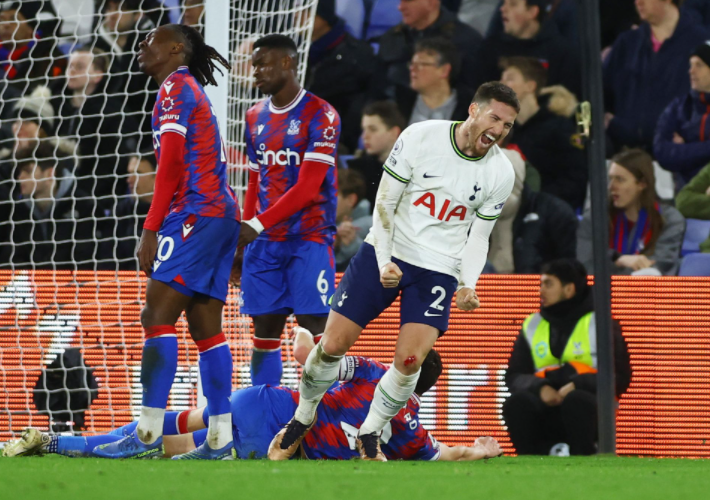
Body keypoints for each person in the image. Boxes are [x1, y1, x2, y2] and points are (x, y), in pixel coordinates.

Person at [269, 82, 519, 462]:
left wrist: (468, 283)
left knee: (410, 361)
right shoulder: (421, 137)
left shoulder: (500, 171)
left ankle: (370, 432)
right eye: (495, 118)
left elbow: (479, 235)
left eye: (507, 125)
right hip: (386, 250)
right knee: (333, 344)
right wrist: (385, 259)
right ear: (473, 110)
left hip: (438, 269)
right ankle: (302, 417)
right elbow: (385, 201)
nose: (499, 130)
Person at [3, 328, 503, 462]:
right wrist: (482, 451)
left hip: (260, 402)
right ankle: (55, 444)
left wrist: (309, 345)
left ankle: (53, 441)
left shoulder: (372, 370)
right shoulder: (410, 429)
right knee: (160, 451)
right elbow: (444, 454)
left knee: (156, 435)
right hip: (271, 435)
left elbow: (325, 362)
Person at [92, 24, 240, 461]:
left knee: (156, 312)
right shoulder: (188, 88)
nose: (141, 45)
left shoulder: (175, 88)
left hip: (195, 211)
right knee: (204, 326)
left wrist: (151, 227)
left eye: (150, 40)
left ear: (175, 49)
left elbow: (172, 163)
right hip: (218, 213)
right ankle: (219, 438)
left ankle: (147, 433)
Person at [236, 34, 340, 389]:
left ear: (287, 62)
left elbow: (308, 188)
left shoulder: (322, 114)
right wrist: (244, 239)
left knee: (317, 326)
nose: (256, 72)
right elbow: (255, 181)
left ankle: (329, 419)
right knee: (264, 329)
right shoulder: (253, 117)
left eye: (263, 63)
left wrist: (255, 224)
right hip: (264, 244)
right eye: (254, 65)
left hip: (308, 237)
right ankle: (264, 419)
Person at [502, 259, 631, 455]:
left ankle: (586, 458)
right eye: (541, 284)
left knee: (577, 401)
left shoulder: (601, 323)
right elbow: (514, 375)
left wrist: (577, 384)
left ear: (569, 289)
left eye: (549, 284)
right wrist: (540, 388)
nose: (541, 290)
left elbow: (619, 377)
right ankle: (527, 462)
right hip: (545, 402)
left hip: (588, 406)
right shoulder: (532, 323)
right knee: (517, 403)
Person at [603, 0, 709, 153]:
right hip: (627, 159)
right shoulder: (627, 44)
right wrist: (609, 125)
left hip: (679, 161)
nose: (638, 2)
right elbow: (600, 96)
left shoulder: (701, 44)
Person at [578, 149, 685, 276]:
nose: (611, 186)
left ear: (642, 184)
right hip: (599, 294)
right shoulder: (595, 218)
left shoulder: (669, 219)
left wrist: (610, 266)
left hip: (645, 293)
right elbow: (584, 264)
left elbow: (658, 268)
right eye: (611, 179)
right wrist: (618, 260)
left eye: (620, 179)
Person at [500, 56, 586, 210]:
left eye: (510, 79)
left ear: (530, 86)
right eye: (502, 79)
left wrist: (537, 200)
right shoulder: (504, 131)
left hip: (546, 215)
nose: (501, 84)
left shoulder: (558, 128)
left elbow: (574, 179)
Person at [57, 46, 133, 208]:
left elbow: (113, 162)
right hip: (61, 192)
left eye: (80, 67)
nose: (72, 71)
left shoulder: (112, 112)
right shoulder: (57, 107)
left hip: (97, 198)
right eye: (70, 65)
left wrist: (85, 194)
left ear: (98, 75)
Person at [305, 0, 382, 152]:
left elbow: (357, 104)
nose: (296, 17)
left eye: (305, 12)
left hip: (337, 138)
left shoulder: (357, 55)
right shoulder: (298, 50)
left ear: (323, 17)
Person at [5, 142, 96, 269]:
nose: (20, 177)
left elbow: (86, 259)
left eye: (27, 171)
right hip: (30, 286)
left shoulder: (84, 206)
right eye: (20, 172)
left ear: (49, 174)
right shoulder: (19, 210)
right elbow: (15, 258)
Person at [377, 0, 482, 101]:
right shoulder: (391, 37)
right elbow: (376, 87)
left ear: (431, 2)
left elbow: (472, 91)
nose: (400, 7)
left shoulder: (465, 40)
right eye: (401, 1)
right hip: (391, 111)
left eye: (409, 1)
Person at [473, 0, 581, 98]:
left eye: (513, 4)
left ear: (532, 12)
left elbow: (567, 99)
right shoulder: (490, 48)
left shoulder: (561, 52)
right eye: (503, 3)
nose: (502, 9)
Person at [489, 155, 577, 273]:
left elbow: (567, 272)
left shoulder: (554, 213)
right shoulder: (467, 215)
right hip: (480, 287)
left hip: (532, 288)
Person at [93, 0, 159, 150]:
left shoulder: (154, 48)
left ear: (138, 14)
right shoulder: (94, 48)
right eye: (109, 8)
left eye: (120, 9)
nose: (112, 15)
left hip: (146, 131)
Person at [654, 41, 710, 186]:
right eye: (691, 65)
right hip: (686, 194)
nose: (691, 71)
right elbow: (662, 152)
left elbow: (675, 155)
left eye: (699, 65)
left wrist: (684, 151)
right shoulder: (679, 107)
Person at [398, 37, 474, 126]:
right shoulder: (400, 103)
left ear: (444, 70)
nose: (413, 69)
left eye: (421, 64)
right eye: (412, 64)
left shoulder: (470, 108)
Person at [346, 101, 406, 209]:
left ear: (394, 133)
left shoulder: (411, 170)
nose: (364, 136)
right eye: (364, 129)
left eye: (373, 129)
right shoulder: (358, 169)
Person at [0, 1, 65, 96]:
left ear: (31, 27)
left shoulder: (48, 56)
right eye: (1, 20)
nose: (6, 25)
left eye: (14, 19)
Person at [111, 151, 157, 269]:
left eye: (138, 173)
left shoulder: (175, 211)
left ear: (157, 177)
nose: (129, 180)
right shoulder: (120, 211)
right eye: (130, 173)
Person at [335, 169, 372, 272]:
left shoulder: (373, 227)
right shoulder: (318, 227)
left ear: (351, 199)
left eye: (332, 195)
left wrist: (353, 245)